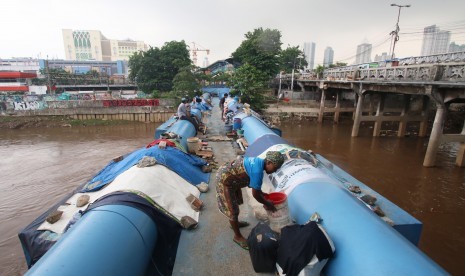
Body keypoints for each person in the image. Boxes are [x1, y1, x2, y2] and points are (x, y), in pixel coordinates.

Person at [215, 151, 285, 250]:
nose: (275, 171)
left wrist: (264, 195)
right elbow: (255, 194)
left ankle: (236, 223)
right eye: (275, 167)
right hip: (225, 181)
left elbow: (256, 189)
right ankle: (237, 237)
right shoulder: (258, 171)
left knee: (236, 203)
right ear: (269, 162)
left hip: (231, 177)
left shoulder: (258, 162)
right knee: (233, 210)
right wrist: (267, 203)